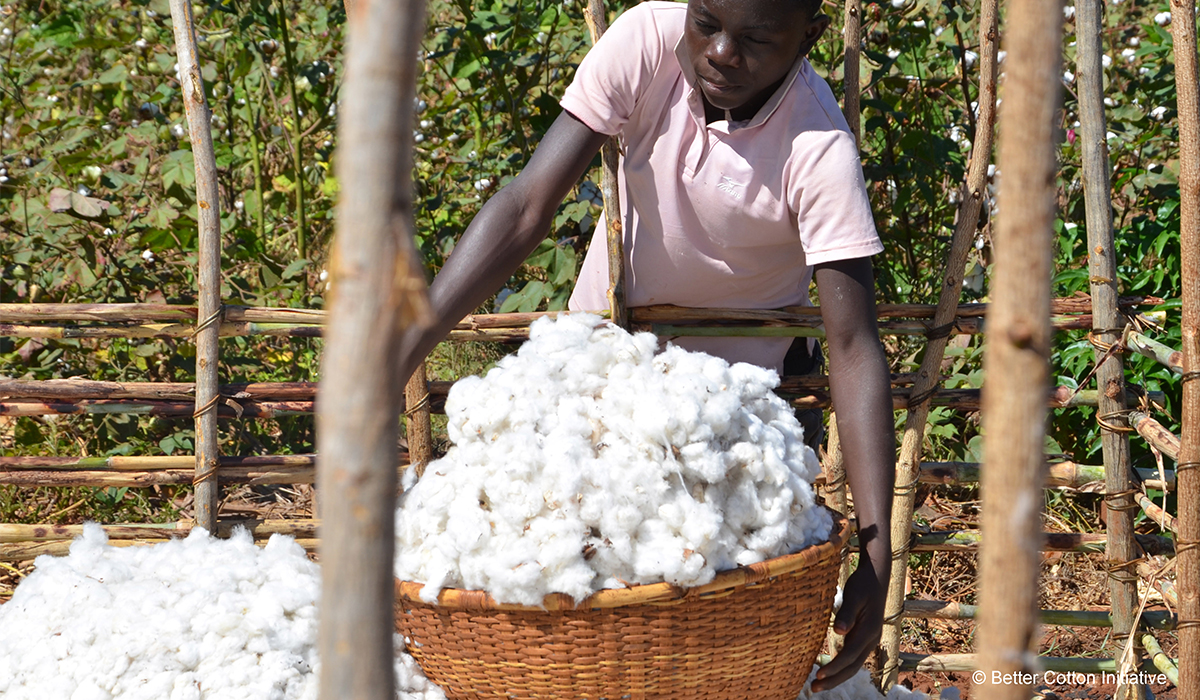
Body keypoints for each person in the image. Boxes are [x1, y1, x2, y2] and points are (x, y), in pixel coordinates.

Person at [396, 0, 895, 690]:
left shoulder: (817, 148)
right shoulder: (647, 42)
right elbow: (527, 206)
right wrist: (401, 349)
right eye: (706, 23)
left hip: (731, 432)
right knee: (569, 605)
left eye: (754, 38)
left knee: (704, 648)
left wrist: (876, 547)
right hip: (600, 379)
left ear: (808, 35)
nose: (720, 52)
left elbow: (853, 345)